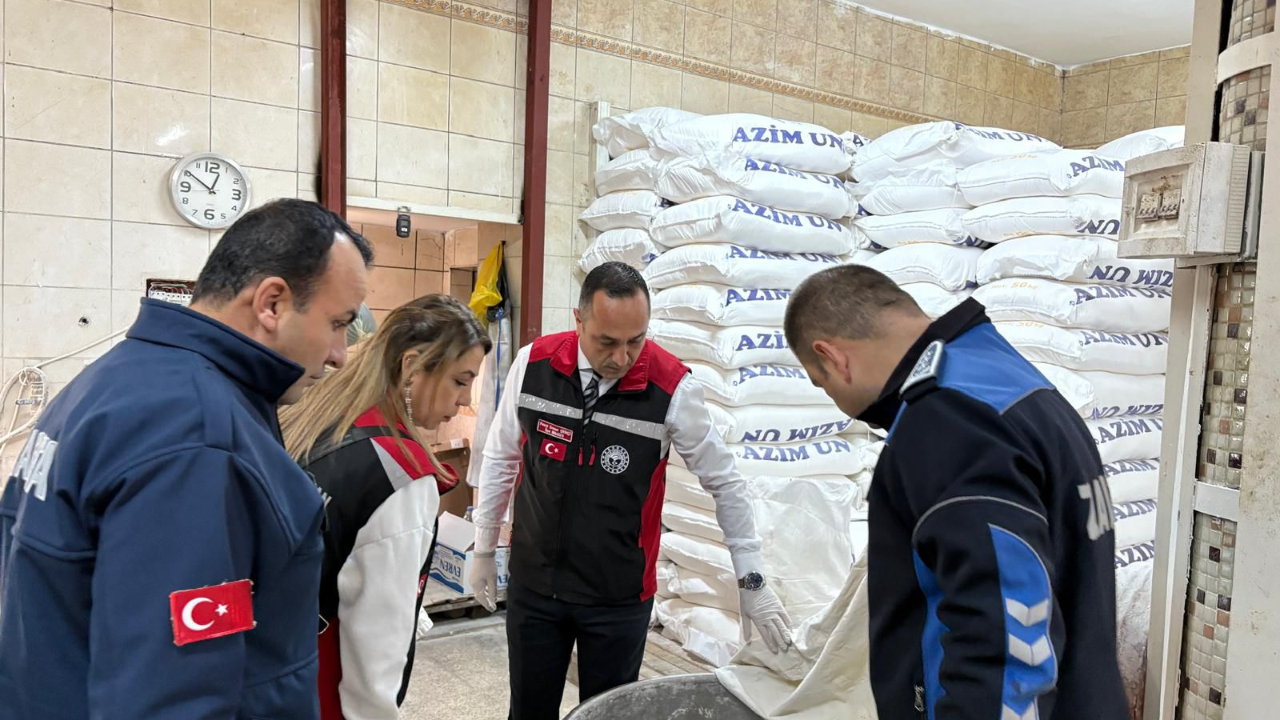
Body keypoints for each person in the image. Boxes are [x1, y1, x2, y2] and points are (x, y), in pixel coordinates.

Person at [0, 199, 373, 719]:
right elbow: (173, 698)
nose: (339, 355)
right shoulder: (200, 439)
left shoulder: (110, 381)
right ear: (271, 303)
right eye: (337, 324)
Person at [782, 264, 1128, 720]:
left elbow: (1004, 634)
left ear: (832, 358)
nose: (835, 399)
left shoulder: (946, 424)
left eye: (821, 381)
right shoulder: (1009, 381)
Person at [469, 261, 793, 720]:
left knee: (611, 715)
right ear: (579, 321)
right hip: (535, 587)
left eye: (635, 341)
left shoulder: (671, 388)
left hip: (617, 599)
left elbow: (725, 482)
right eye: (607, 342)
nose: (622, 358)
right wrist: (484, 547)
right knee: (528, 712)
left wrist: (751, 577)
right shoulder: (534, 365)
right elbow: (501, 457)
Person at [280, 294, 491, 720]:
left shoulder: (326, 418)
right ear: (412, 366)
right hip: (326, 685)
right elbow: (377, 650)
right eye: (459, 381)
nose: (465, 400)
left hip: (282, 662)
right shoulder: (401, 477)